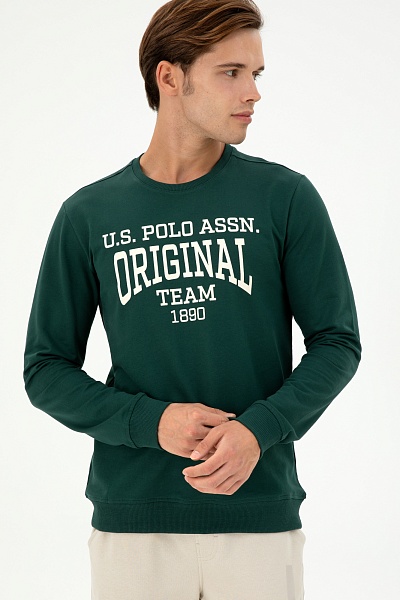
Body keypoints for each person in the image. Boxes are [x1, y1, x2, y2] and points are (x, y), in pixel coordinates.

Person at [23, 1, 361, 598]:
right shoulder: (89, 215)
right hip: (134, 523)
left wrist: (259, 430)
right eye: (231, 72)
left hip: (258, 516)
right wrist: (152, 422)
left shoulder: (284, 197)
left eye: (256, 73)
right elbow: (46, 369)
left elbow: (337, 343)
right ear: (170, 76)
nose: (253, 92)